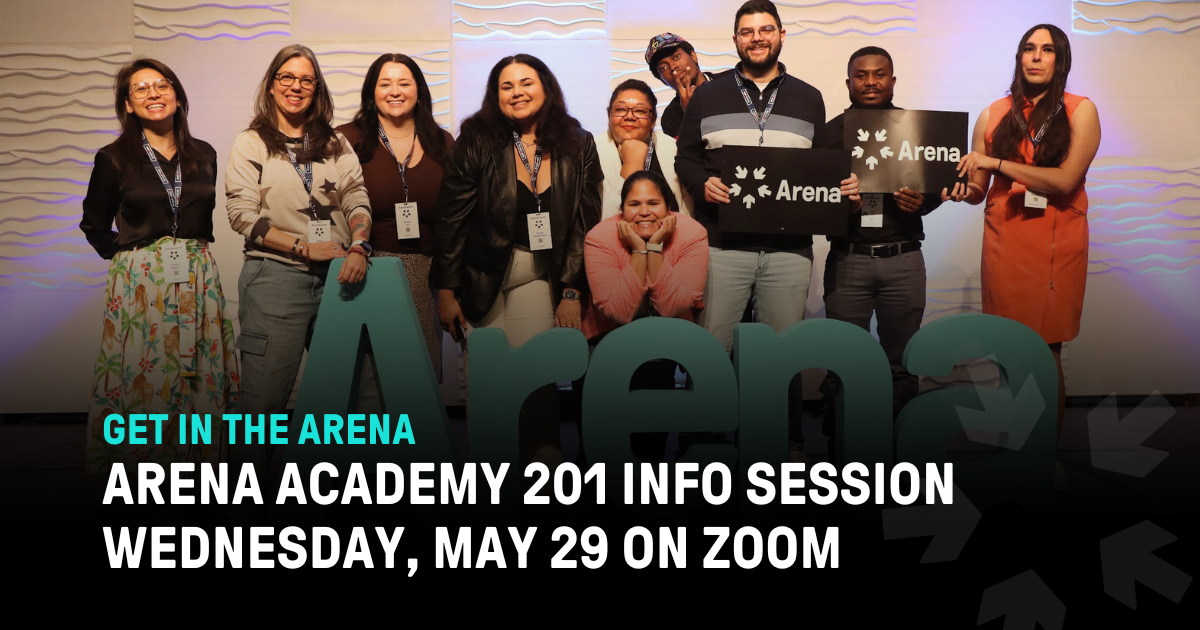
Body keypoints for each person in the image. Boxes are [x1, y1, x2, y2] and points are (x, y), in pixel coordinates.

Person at [675, 0, 858, 462]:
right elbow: (687, 158)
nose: (757, 37)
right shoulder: (708, 95)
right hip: (723, 243)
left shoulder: (808, 96)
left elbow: (819, 167)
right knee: (714, 348)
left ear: (780, 34)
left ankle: (784, 444)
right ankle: (709, 445)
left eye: (765, 29)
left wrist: (844, 184)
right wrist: (702, 184)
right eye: (747, 31)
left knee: (782, 354)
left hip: (789, 249)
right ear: (736, 39)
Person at [945, 24, 1100, 489]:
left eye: (1047, 50)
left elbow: (1064, 181)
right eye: (1029, 49)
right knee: (1011, 351)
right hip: (1004, 241)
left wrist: (993, 164)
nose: (1036, 57)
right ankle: (1015, 446)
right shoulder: (993, 114)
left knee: (1045, 350)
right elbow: (977, 190)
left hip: (1056, 245)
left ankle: (1042, 457)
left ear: (1060, 59)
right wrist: (957, 189)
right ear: (1019, 57)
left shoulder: (1081, 111)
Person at [435, 54, 604, 466]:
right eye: (506, 86)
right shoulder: (476, 138)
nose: (517, 93)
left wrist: (569, 289)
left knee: (536, 381)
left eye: (526, 82)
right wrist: (445, 288)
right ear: (496, 95)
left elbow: (585, 222)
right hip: (480, 275)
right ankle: (491, 478)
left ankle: (541, 476)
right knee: (486, 383)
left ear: (545, 86)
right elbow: (451, 217)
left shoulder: (577, 141)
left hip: (538, 275)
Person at [80, 58, 240, 473]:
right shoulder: (113, 158)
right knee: (146, 375)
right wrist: (131, 263)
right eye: (141, 89)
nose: (154, 93)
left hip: (198, 275)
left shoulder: (204, 153)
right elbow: (94, 224)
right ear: (128, 105)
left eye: (162, 85)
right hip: (142, 284)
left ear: (178, 96)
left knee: (200, 372)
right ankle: (141, 473)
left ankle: (200, 471)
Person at [225, 44, 373, 472]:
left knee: (348, 401)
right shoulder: (251, 142)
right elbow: (241, 216)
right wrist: (302, 247)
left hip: (341, 279)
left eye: (306, 79)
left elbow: (356, 197)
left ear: (317, 88)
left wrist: (361, 244)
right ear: (272, 86)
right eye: (287, 77)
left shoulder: (335, 142)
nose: (296, 86)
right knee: (262, 406)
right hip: (275, 280)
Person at [816, 46, 943, 426]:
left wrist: (923, 201)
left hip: (903, 260)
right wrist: (843, 207)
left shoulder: (915, 128)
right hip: (848, 260)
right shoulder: (829, 134)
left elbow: (937, 188)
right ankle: (842, 449)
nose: (870, 81)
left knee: (902, 364)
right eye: (861, 74)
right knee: (843, 363)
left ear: (892, 80)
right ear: (849, 82)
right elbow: (815, 199)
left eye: (879, 74)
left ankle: (899, 450)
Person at [337, 53, 454, 386]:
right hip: (364, 266)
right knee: (367, 380)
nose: (395, 91)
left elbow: (453, 219)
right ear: (371, 92)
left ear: (419, 90)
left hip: (424, 271)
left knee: (415, 378)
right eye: (385, 83)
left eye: (404, 83)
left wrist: (448, 288)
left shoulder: (442, 142)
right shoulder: (346, 139)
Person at [583, 171, 708, 462]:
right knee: (604, 431)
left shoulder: (691, 232)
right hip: (607, 338)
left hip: (662, 340)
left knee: (650, 432)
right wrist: (641, 251)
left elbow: (671, 306)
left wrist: (654, 248)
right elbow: (619, 311)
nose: (643, 212)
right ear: (622, 210)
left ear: (669, 208)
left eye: (653, 203)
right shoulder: (600, 236)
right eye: (634, 204)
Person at [598, 79, 692, 219]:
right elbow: (602, 221)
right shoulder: (591, 152)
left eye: (640, 111)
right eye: (620, 109)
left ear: (653, 120)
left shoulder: (674, 149)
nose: (629, 116)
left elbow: (688, 215)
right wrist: (631, 165)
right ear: (609, 116)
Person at [646, 33, 718, 138]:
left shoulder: (730, 83)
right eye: (663, 67)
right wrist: (691, 114)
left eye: (676, 57)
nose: (673, 67)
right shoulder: (670, 117)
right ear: (663, 80)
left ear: (693, 56)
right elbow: (693, 152)